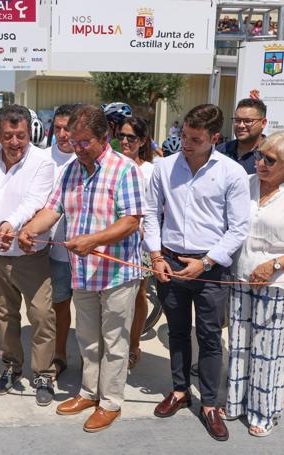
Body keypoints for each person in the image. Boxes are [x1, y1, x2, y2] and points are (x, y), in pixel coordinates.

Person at [19, 105, 145, 432]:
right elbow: (52, 210)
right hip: (83, 273)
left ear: (105, 138)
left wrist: (94, 240)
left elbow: (131, 221)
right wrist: (29, 230)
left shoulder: (124, 170)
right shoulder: (71, 171)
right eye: (73, 141)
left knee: (114, 342)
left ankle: (110, 402)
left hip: (117, 275)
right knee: (88, 339)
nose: (76, 148)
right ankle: (89, 392)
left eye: (84, 142)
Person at [145, 104, 250, 441]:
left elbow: (238, 229)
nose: (186, 144)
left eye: (195, 139)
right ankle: (179, 391)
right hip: (171, 263)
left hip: (211, 268)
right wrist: (156, 255)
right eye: (183, 136)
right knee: (176, 332)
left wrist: (204, 263)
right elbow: (149, 213)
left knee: (209, 337)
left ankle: (209, 403)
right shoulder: (164, 168)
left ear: (215, 138)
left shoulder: (231, 173)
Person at [0, 104, 57, 406]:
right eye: (9, 136)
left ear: (29, 134)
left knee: (41, 315)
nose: (15, 143)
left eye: (21, 136)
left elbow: (35, 200)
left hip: (30, 254)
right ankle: (11, 366)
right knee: (4, 314)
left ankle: (43, 374)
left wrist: (11, 223)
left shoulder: (42, 162)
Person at [225, 131, 284, 437]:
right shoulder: (244, 184)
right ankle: (236, 402)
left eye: (270, 160)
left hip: (275, 285)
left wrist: (274, 264)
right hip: (240, 277)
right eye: (260, 155)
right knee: (239, 343)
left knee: (266, 351)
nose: (261, 163)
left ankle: (264, 411)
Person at [117, 117, 154, 369]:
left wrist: (144, 229)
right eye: (122, 135)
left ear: (142, 141)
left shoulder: (151, 170)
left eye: (131, 137)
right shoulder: (113, 165)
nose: (125, 141)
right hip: (114, 239)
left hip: (140, 242)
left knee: (139, 294)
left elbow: (156, 206)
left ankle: (133, 345)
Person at [44, 104, 78, 378]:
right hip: (55, 250)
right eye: (58, 128)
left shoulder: (88, 157)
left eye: (68, 128)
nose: (62, 134)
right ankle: (59, 354)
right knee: (59, 304)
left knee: (93, 312)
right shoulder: (43, 159)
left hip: (88, 250)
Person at [216, 98, 268, 175]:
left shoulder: (271, 154)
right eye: (237, 120)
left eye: (248, 121)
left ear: (263, 123)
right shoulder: (219, 151)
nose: (241, 125)